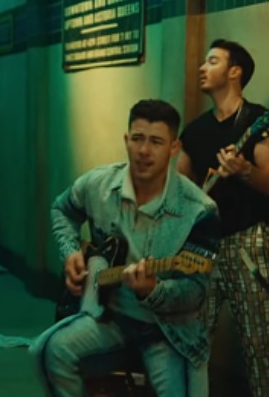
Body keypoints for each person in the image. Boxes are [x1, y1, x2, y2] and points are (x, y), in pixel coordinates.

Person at [30, 99, 221, 397]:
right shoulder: (99, 184)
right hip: (106, 315)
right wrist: (71, 252)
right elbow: (62, 209)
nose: (144, 150)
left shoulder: (198, 210)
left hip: (166, 330)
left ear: (174, 148)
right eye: (137, 138)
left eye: (156, 142)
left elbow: (195, 291)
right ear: (126, 139)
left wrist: (153, 290)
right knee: (48, 351)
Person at [177, 39, 269, 397]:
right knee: (190, 340)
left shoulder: (260, 121)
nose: (202, 68)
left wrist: (243, 170)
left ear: (235, 71)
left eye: (212, 61)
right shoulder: (194, 132)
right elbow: (179, 188)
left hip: (248, 243)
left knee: (261, 347)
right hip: (202, 247)